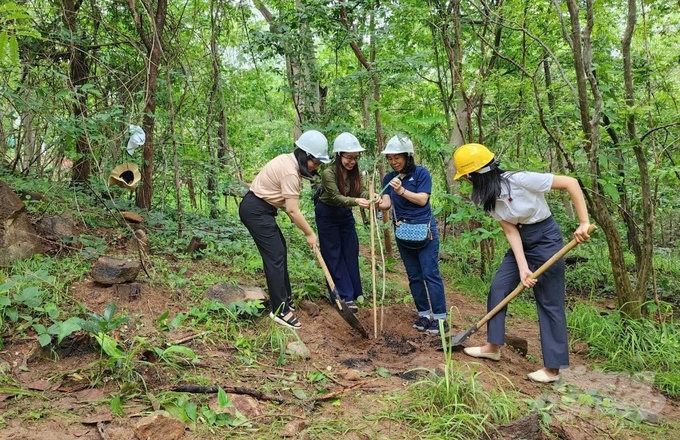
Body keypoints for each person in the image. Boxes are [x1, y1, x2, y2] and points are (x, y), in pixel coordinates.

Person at [453, 143, 591, 383]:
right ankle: (492, 346)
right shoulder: (489, 200)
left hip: (546, 239)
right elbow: (511, 232)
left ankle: (552, 369)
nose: (466, 182)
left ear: (473, 175)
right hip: (521, 240)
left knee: (549, 301)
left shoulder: (521, 180)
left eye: (466, 177)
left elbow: (571, 182)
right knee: (499, 287)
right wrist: (523, 267)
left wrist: (583, 222)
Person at [239, 130, 331, 330]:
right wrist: (309, 233)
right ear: (305, 156)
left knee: (279, 250)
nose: (316, 168)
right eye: (315, 163)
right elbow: (292, 210)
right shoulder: (290, 172)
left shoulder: (287, 161)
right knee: (275, 256)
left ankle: (284, 298)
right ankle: (280, 310)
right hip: (256, 210)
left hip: (260, 208)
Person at [377, 135, 449, 335]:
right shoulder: (388, 179)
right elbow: (386, 204)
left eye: (397, 158)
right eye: (390, 159)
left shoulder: (421, 174)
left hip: (425, 231)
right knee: (414, 275)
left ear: (407, 156)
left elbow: (422, 200)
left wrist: (401, 191)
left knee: (430, 273)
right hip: (403, 231)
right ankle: (424, 314)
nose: (393, 162)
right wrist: (375, 200)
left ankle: (441, 318)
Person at [314, 132, 371, 313]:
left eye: (355, 158)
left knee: (350, 250)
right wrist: (356, 202)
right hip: (327, 213)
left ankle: (353, 292)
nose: (352, 162)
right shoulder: (328, 173)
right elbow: (336, 197)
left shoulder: (354, 173)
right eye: (348, 158)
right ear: (339, 156)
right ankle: (343, 297)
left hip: (345, 214)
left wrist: (371, 197)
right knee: (333, 253)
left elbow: (359, 192)